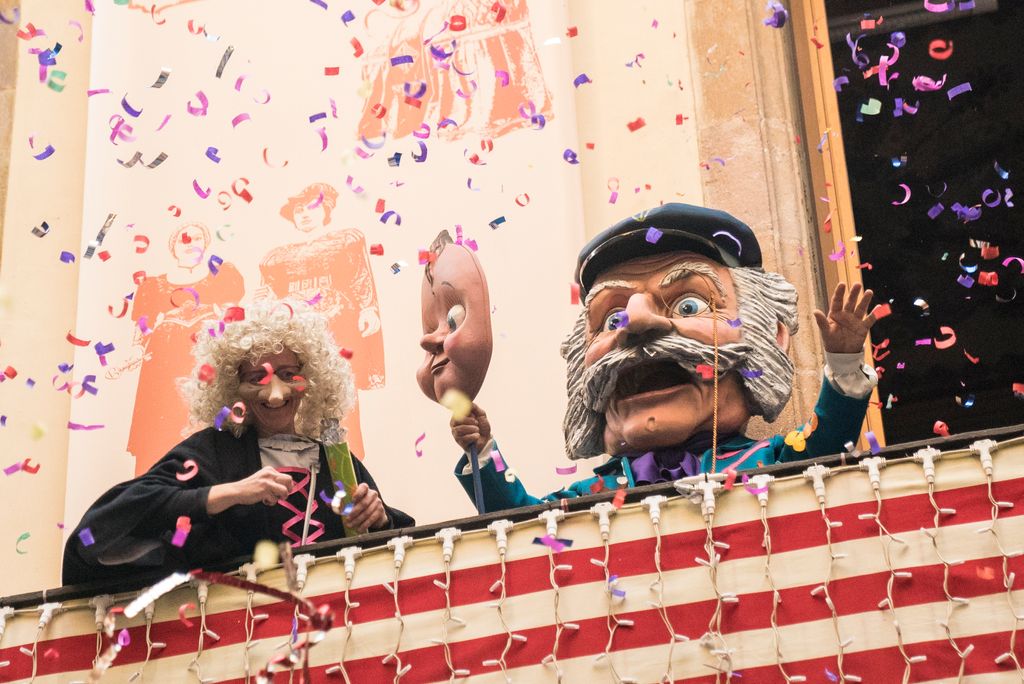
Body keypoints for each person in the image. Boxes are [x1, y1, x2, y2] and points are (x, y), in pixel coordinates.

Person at [447, 204, 880, 511]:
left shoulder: (770, 461)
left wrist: (843, 363)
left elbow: (826, 443)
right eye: (612, 317)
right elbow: (522, 522)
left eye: (689, 305)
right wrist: (482, 453)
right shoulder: (592, 495)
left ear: (772, 335)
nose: (636, 322)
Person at [63, 299, 412, 586]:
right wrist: (227, 494)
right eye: (256, 378)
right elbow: (98, 533)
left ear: (311, 380)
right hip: (239, 637)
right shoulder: (212, 452)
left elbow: (397, 555)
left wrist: (379, 521)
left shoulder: (336, 461)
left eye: (289, 375)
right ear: (232, 389)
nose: (275, 393)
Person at [257, 182, 384, 464]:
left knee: (340, 403)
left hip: (337, 333)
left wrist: (368, 309)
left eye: (311, 207)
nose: (304, 214)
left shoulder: (346, 240)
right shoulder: (277, 256)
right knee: (298, 405)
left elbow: (360, 277)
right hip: (295, 345)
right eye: (298, 210)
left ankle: (350, 464)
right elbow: (266, 294)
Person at [127, 222, 245, 475]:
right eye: (184, 239)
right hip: (160, 376)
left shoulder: (223, 277)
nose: (192, 244)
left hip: (206, 374)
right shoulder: (151, 286)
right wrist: (135, 352)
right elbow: (140, 332)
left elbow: (233, 320)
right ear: (173, 247)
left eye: (198, 238)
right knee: (158, 439)